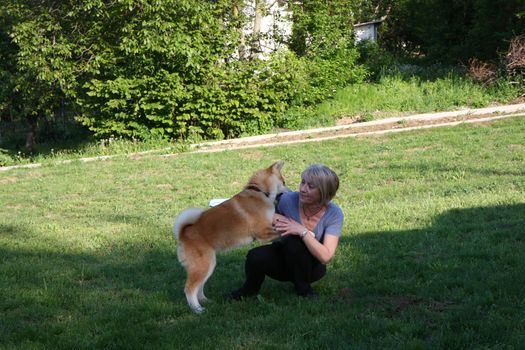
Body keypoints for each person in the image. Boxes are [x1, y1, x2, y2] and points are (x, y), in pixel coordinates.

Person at [226, 164, 344, 299]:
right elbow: (257, 211)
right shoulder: (288, 200)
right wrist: (276, 217)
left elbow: (326, 256)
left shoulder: (334, 214)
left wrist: (302, 231)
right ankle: (248, 291)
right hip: (285, 259)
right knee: (255, 256)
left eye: (311, 186)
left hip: (312, 268)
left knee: (295, 241)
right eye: (303, 182)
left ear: (324, 192)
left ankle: (304, 290)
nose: (303, 189)